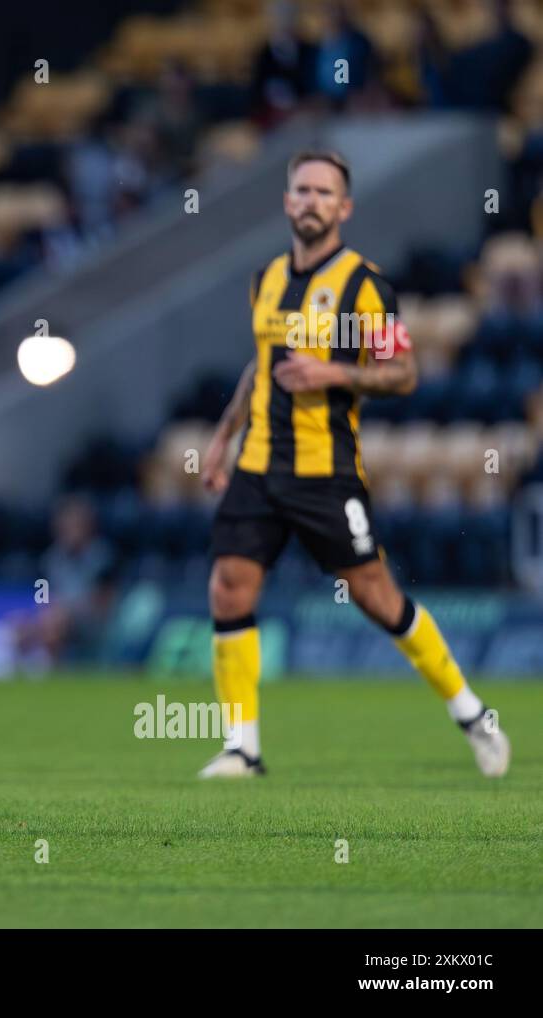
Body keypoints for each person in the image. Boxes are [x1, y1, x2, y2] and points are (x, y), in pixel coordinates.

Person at [198, 150, 509, 779]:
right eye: (302, 190)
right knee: (229, 586)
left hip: (325, 471)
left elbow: (404, 372)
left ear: (345, 208)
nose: (310, 201)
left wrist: (333, 370)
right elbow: (262, 363)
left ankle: (472, 714)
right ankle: (243, 748)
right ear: (287, 201)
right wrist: (223, 433)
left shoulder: (365, 286)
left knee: (377, 597)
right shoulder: (265, 281)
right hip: (258, 465)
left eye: (324, 193)